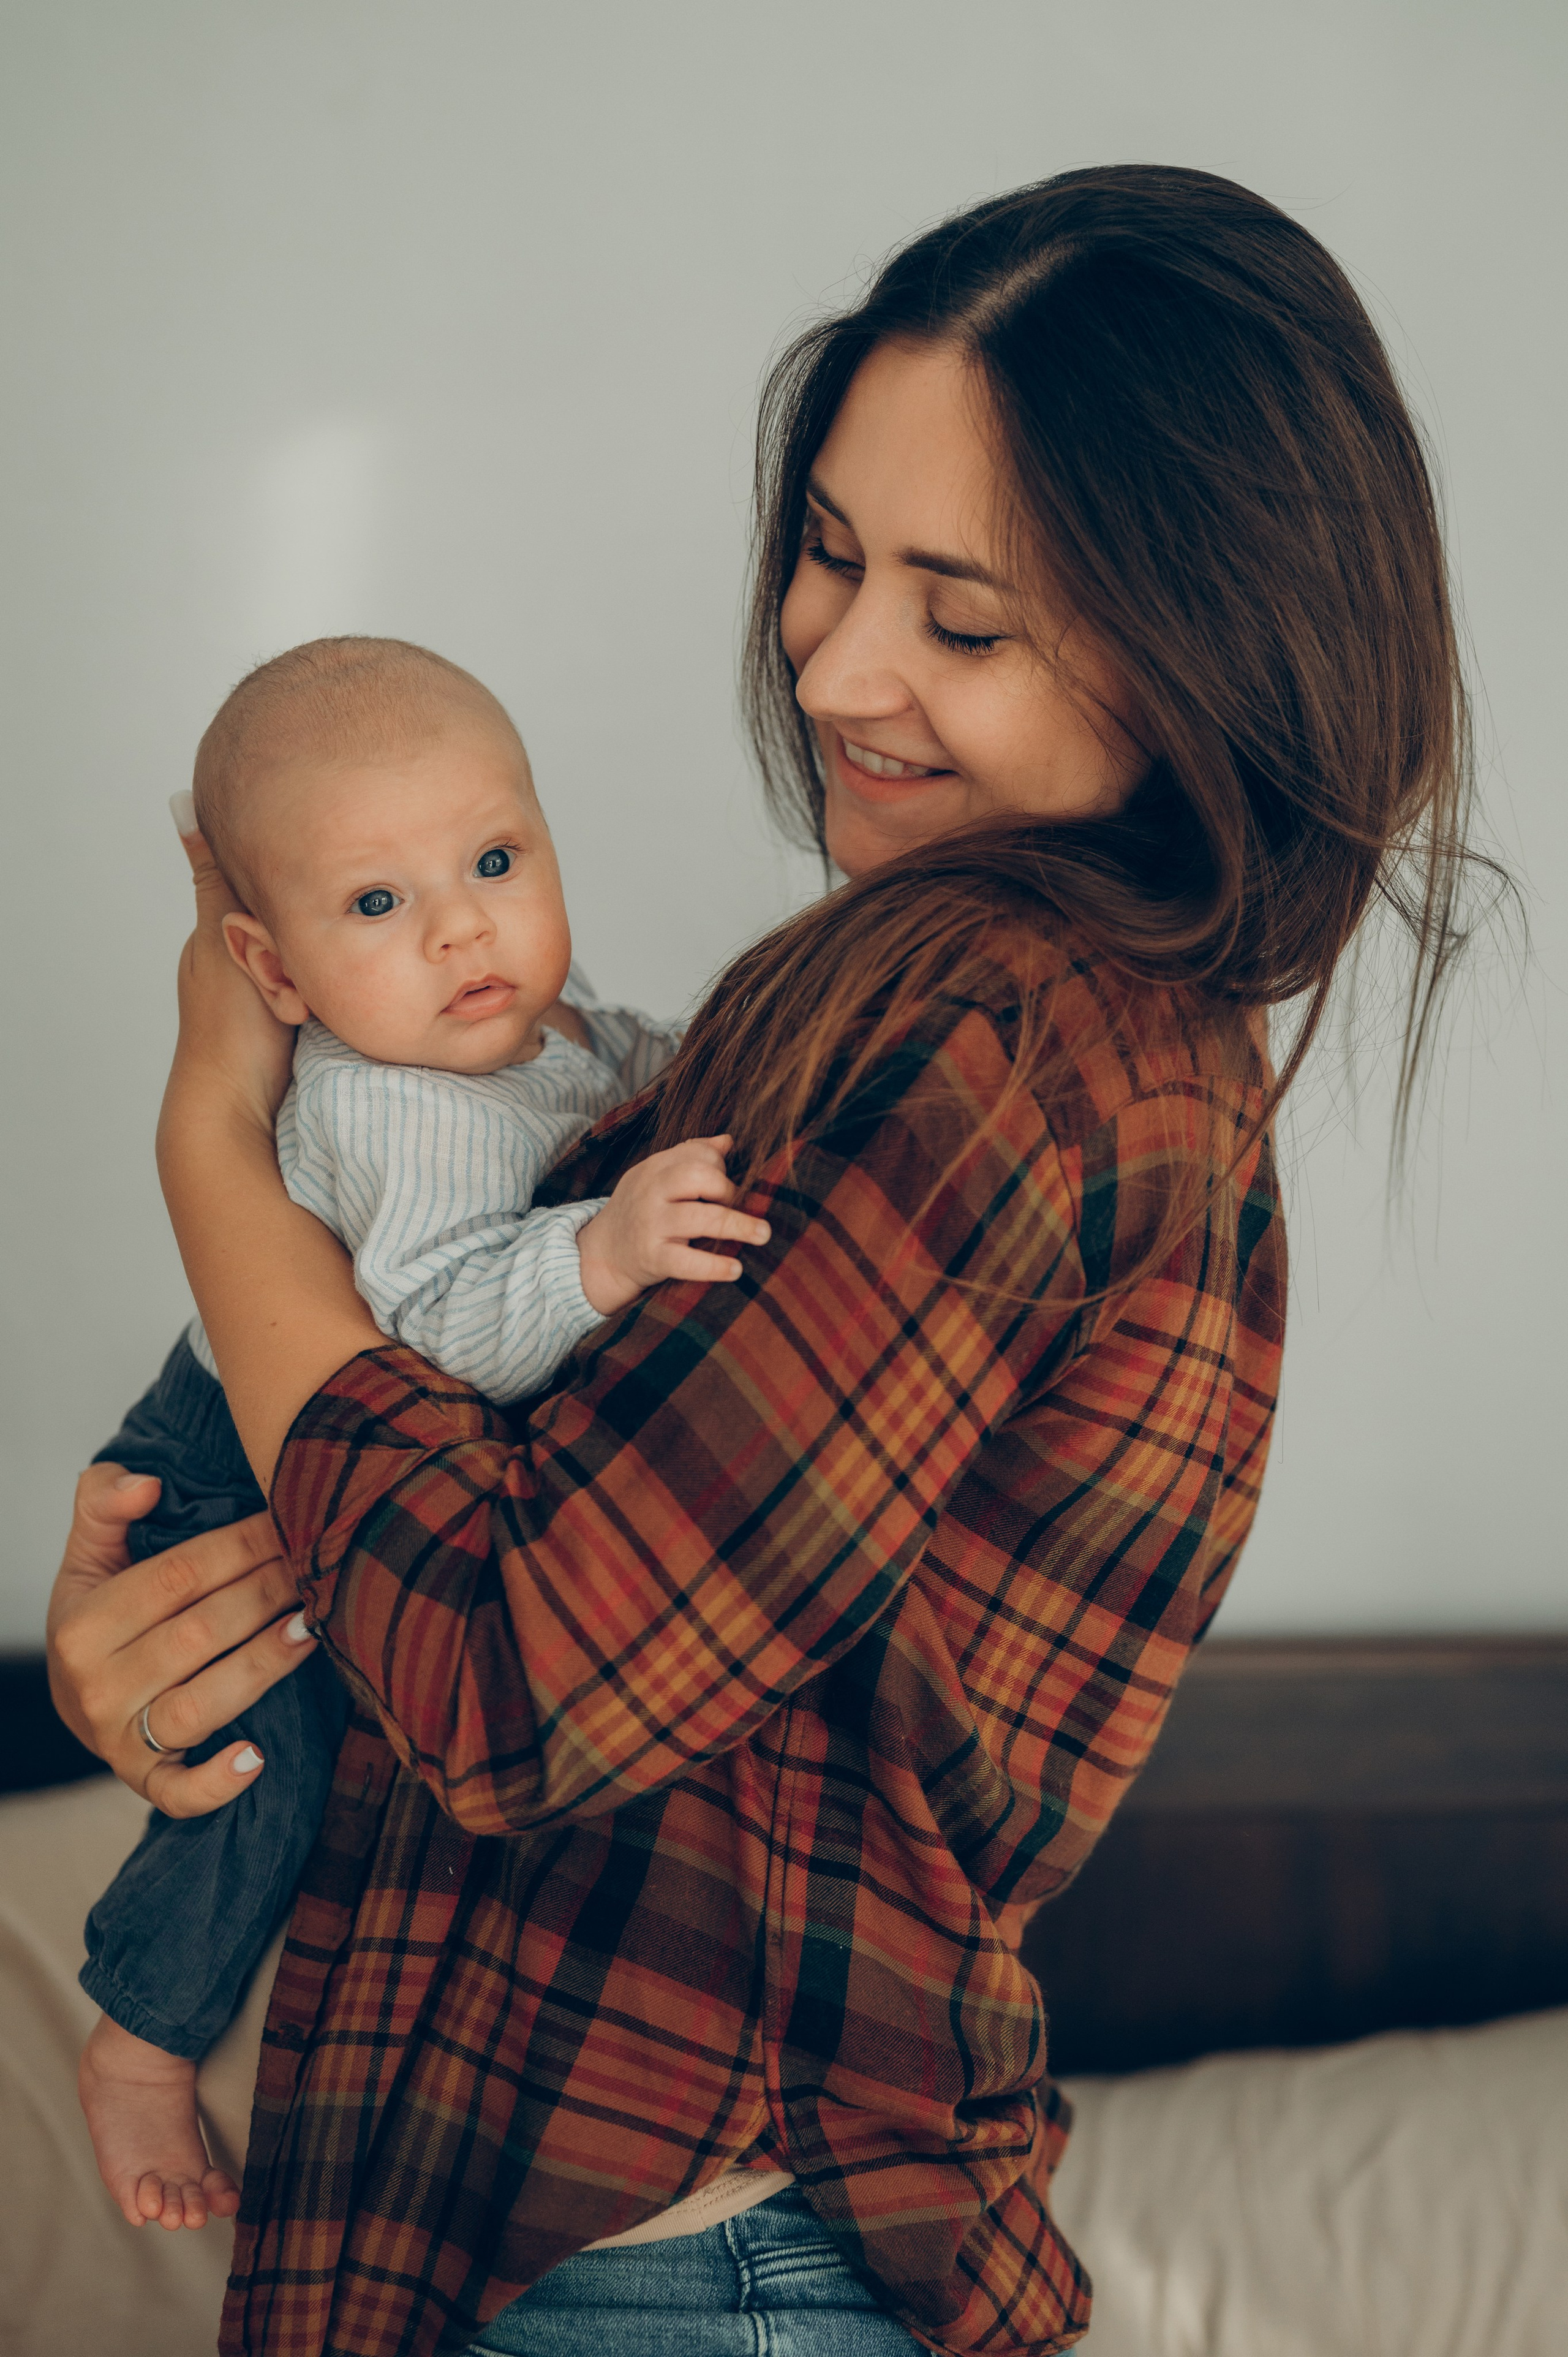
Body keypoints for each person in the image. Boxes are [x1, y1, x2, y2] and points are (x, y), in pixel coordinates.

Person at [48, 166, 1483, 2357]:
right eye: (825, 550)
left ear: (1214, 648)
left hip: (687, 2275)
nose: (831, 659)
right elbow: (479, 1516)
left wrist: (208, 1145)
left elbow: (519, 1681)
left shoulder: (1022, 1046)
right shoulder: (899, 1005)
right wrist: (178, 1649)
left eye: (961, 614)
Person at [75, 635, 756, 2231]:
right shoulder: (386, 1101)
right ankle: (142, 2038)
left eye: (498, 859)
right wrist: (602, 1254)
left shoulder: (533, 1026)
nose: (464, 924)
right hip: (231, 1449)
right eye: (378, 903)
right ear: (277, 973)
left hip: (305, 1423)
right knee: (263, 1760)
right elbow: (437, 1326)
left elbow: (640, 1080)